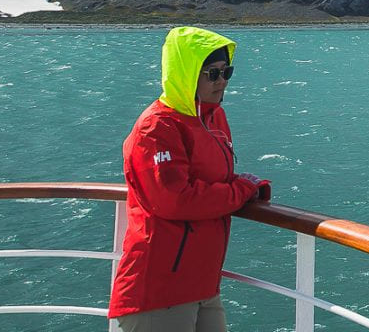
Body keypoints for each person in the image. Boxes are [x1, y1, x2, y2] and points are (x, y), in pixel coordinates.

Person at [108, 27, 271, 332]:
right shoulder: (156, 128)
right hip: (159, 290)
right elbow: (176, 199)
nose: (222, 81)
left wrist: (247, 188)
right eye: (212, 73)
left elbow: (206, 177)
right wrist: (239, 190)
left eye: (227, 72)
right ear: (186, 73)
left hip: (203, 283)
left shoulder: (212, 117)